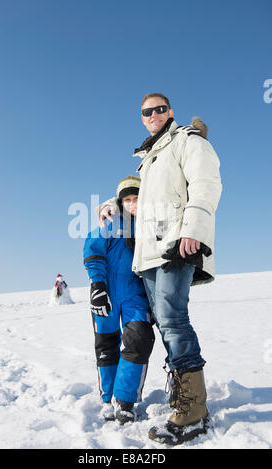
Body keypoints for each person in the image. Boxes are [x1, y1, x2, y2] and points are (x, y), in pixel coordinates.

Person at [98, 93, 222, 445]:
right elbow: (140, 197)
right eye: (146, 112)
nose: (153, 115)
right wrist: (111, 203)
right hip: (148, 256)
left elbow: (206, 185)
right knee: (166, 325)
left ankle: (194, 411)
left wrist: (193, 231)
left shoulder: (186, 140)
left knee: (174, 321)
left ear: (171, 111)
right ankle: (185, 398)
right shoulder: (149, 158)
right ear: (141, 118)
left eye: (159, 109)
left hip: (174, 248)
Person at [83, 176, 155, 425]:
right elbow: (93, 249)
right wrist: (98, 285)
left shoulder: (149, 225)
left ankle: (124, 401)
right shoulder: (111, 223)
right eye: (128, 199)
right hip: (107, 294)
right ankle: (107, 400)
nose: (133, 203)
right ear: (121, 202)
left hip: (136, 294)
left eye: (137, 198)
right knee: (106, 346)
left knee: (140, 339)